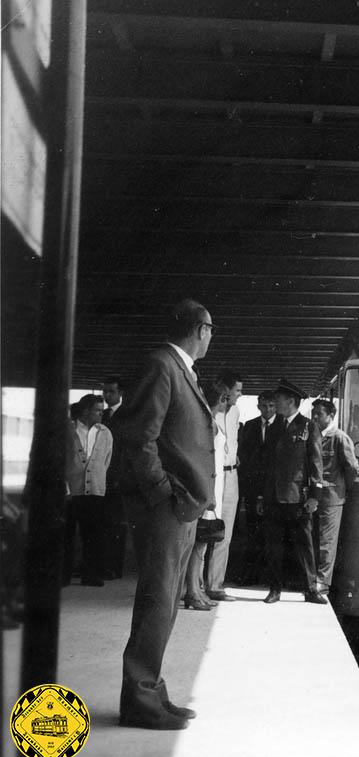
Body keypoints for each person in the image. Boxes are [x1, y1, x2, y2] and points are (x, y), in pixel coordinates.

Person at [116, 299, 216, 730]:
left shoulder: (178, 370)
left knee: (166, 603)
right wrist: (162, 494)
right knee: (157, 601)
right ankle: (139, 700)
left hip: (182, 507)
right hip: (167, 509)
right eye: (212, 329)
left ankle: (151, 690)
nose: (212, 337)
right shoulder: (162, 366)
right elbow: (140, 439)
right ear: (199, 329)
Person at [263, 378, 324, 605]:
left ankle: (311, 589)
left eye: (278, 399)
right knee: (273, 545)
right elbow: (266, 464)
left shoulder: (308, 427)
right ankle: (274, 589)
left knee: (304, 545)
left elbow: (316, 464)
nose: (275, 402)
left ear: (290, 401)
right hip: (273, 495)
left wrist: (314, 498)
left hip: (298, 497)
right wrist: (262, 495)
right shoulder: (273, 427)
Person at [183, 384, 228, 611]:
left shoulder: (209, 421)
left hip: (212, 489)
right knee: (197, 544)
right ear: (221, 399)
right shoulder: (208, 423)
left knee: (200, 543)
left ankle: (196, 589)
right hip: (207, 490)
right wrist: (208, 494)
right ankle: (192, 591)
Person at [310, 398, 359, 597]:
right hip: (314, 496)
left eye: (319, 414)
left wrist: (342, 488)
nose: (314, 417)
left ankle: (322, 582)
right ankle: (313, 578)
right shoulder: (313, 435)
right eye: (313, 414)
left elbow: (352, 467)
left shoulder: (339, 437)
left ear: (331, 416)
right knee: (314, 539)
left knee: (326, 542)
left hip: (331, 497)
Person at [64, 394, 113, 586]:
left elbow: (106, 461)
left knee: (93, 535)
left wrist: (96, 479)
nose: (101, 414)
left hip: (95, 491)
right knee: (66, 534)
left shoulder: (105, 433)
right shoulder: (67, 430)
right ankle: (63, 575)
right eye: (97, 410)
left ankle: (90, 574)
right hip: (70, 490)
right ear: (85, 410)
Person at [236, 391, 283, 585]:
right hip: (253, 488)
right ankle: (251, 575)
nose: (268, 409)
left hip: (274, 488)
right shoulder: (250, 426)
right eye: (264, 406)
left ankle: (271, 577)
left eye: (272, 406)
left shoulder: (284, 425)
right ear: (258, 406)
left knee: (274, 532)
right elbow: (244, 456)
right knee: (253, 530)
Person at [205, 370, 242, 601]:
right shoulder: (207, 411)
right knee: (202, 531)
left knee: (224, 533)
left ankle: (215, 585)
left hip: (232, 476)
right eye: (237, 390)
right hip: (213, 475)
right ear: (225, 391)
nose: (240, 394)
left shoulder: (236, 411)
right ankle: (195, 585)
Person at [101, 376, 128, 579]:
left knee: (116, 522)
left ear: (120, 393)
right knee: (101, 521)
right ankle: (101, 564)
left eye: (111, 391)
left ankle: (113, 566)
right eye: (105, 391)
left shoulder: (128, 416)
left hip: (118, 476)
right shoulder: (100, 415)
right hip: (101, 475)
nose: (107, 395)